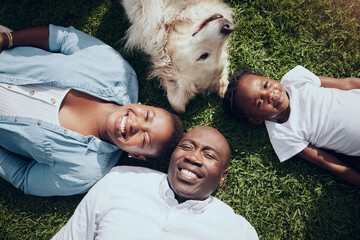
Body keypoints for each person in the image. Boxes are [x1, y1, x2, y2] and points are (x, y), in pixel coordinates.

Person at [0, 24, 183, 196]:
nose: (136, 124)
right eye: (147, 116)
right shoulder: (115, 69)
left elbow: (24, 177)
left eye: (144, 138)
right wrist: (6, 39)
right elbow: (64, 38)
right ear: (143, 106)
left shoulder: (84, 172)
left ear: (136, 155)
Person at [52, 126, 259, 239]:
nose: (194, 158)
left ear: (223, 176)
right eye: (187, 146)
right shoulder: (120, 181)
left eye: (209, 155)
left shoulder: (237, 231)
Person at [224, 65, 360, 186]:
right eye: (259, 101)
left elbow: (347, 84)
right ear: (256, 120)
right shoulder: (282, 134)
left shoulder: (295, 80)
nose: (270, 94)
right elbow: (326, 162)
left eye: (265, 85)